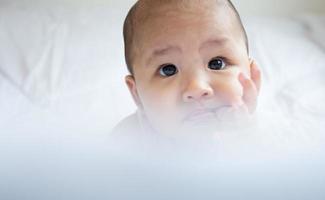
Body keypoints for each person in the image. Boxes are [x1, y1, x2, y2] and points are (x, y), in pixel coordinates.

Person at [113, 0, 261, 138]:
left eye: (217, 63)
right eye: (168, 70)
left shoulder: (261, 135)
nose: (197, 88)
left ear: (251, 75)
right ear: (136, 94)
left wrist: (244, 136)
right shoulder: (127, 139)